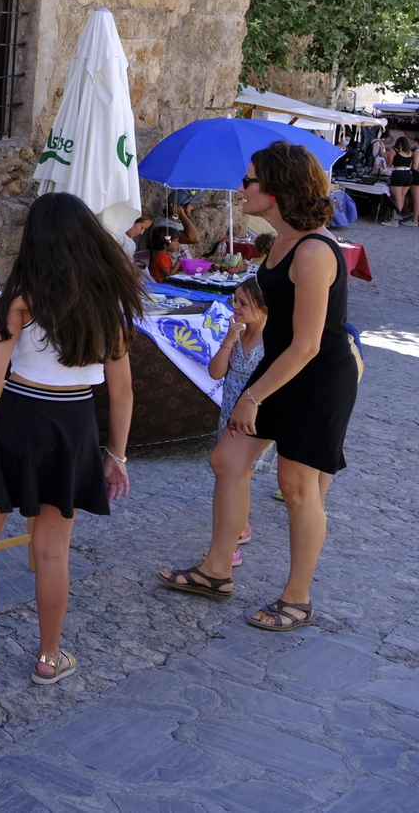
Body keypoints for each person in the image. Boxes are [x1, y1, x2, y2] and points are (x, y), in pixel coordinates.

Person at [0, 193, 138, 714]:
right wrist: (118, 456)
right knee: (53, 552)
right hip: (75, 426)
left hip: (20, 418)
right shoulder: (110, 299)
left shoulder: (24, 295)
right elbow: (123, 391)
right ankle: (49, 656)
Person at [157, 142, 358, 633]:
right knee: (227, 461)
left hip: (316, 381)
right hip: (278, 371)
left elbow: (308, 344)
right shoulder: (281, 241)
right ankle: (216, 571)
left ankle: (297, 598)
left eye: (248, 181)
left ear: (276, 190)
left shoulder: (313, 250)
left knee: (297, 487)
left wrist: (252, 395)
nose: (240, 189)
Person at [202, 276, 273, 568]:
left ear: (264, 307)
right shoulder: (237, 334)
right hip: (229, 415)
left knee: (238, 476)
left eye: (243, 302)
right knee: (235, 477)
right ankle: (240, 526)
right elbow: (216, 373)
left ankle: (229, 545)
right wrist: (229, 340)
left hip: (255, 419)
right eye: (235, 300)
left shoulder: (274, 341)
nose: (236, 307)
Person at [389, 136, 414, 224]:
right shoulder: (410, 152)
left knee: (397, 198)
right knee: (402, 197)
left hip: (398, 173)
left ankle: (395, 219)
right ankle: (398, 217)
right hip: (408, 174)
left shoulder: (394, 150)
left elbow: (389, 164)